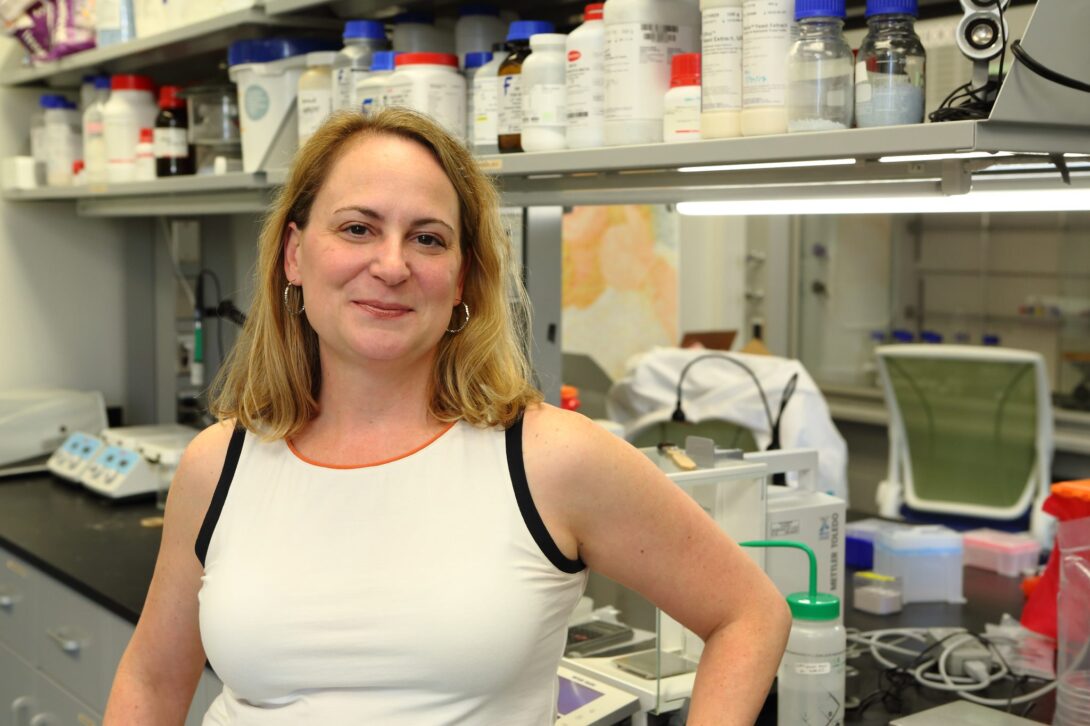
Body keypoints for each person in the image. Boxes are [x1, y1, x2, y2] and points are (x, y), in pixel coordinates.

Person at [103, 107, 790, 725]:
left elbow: (748, 614)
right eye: (357, 228)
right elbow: (153, 680)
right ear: (294, 254)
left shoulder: (548, 459)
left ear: (462, 277)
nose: (392, 264)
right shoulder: (219, 465)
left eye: (428, 239)